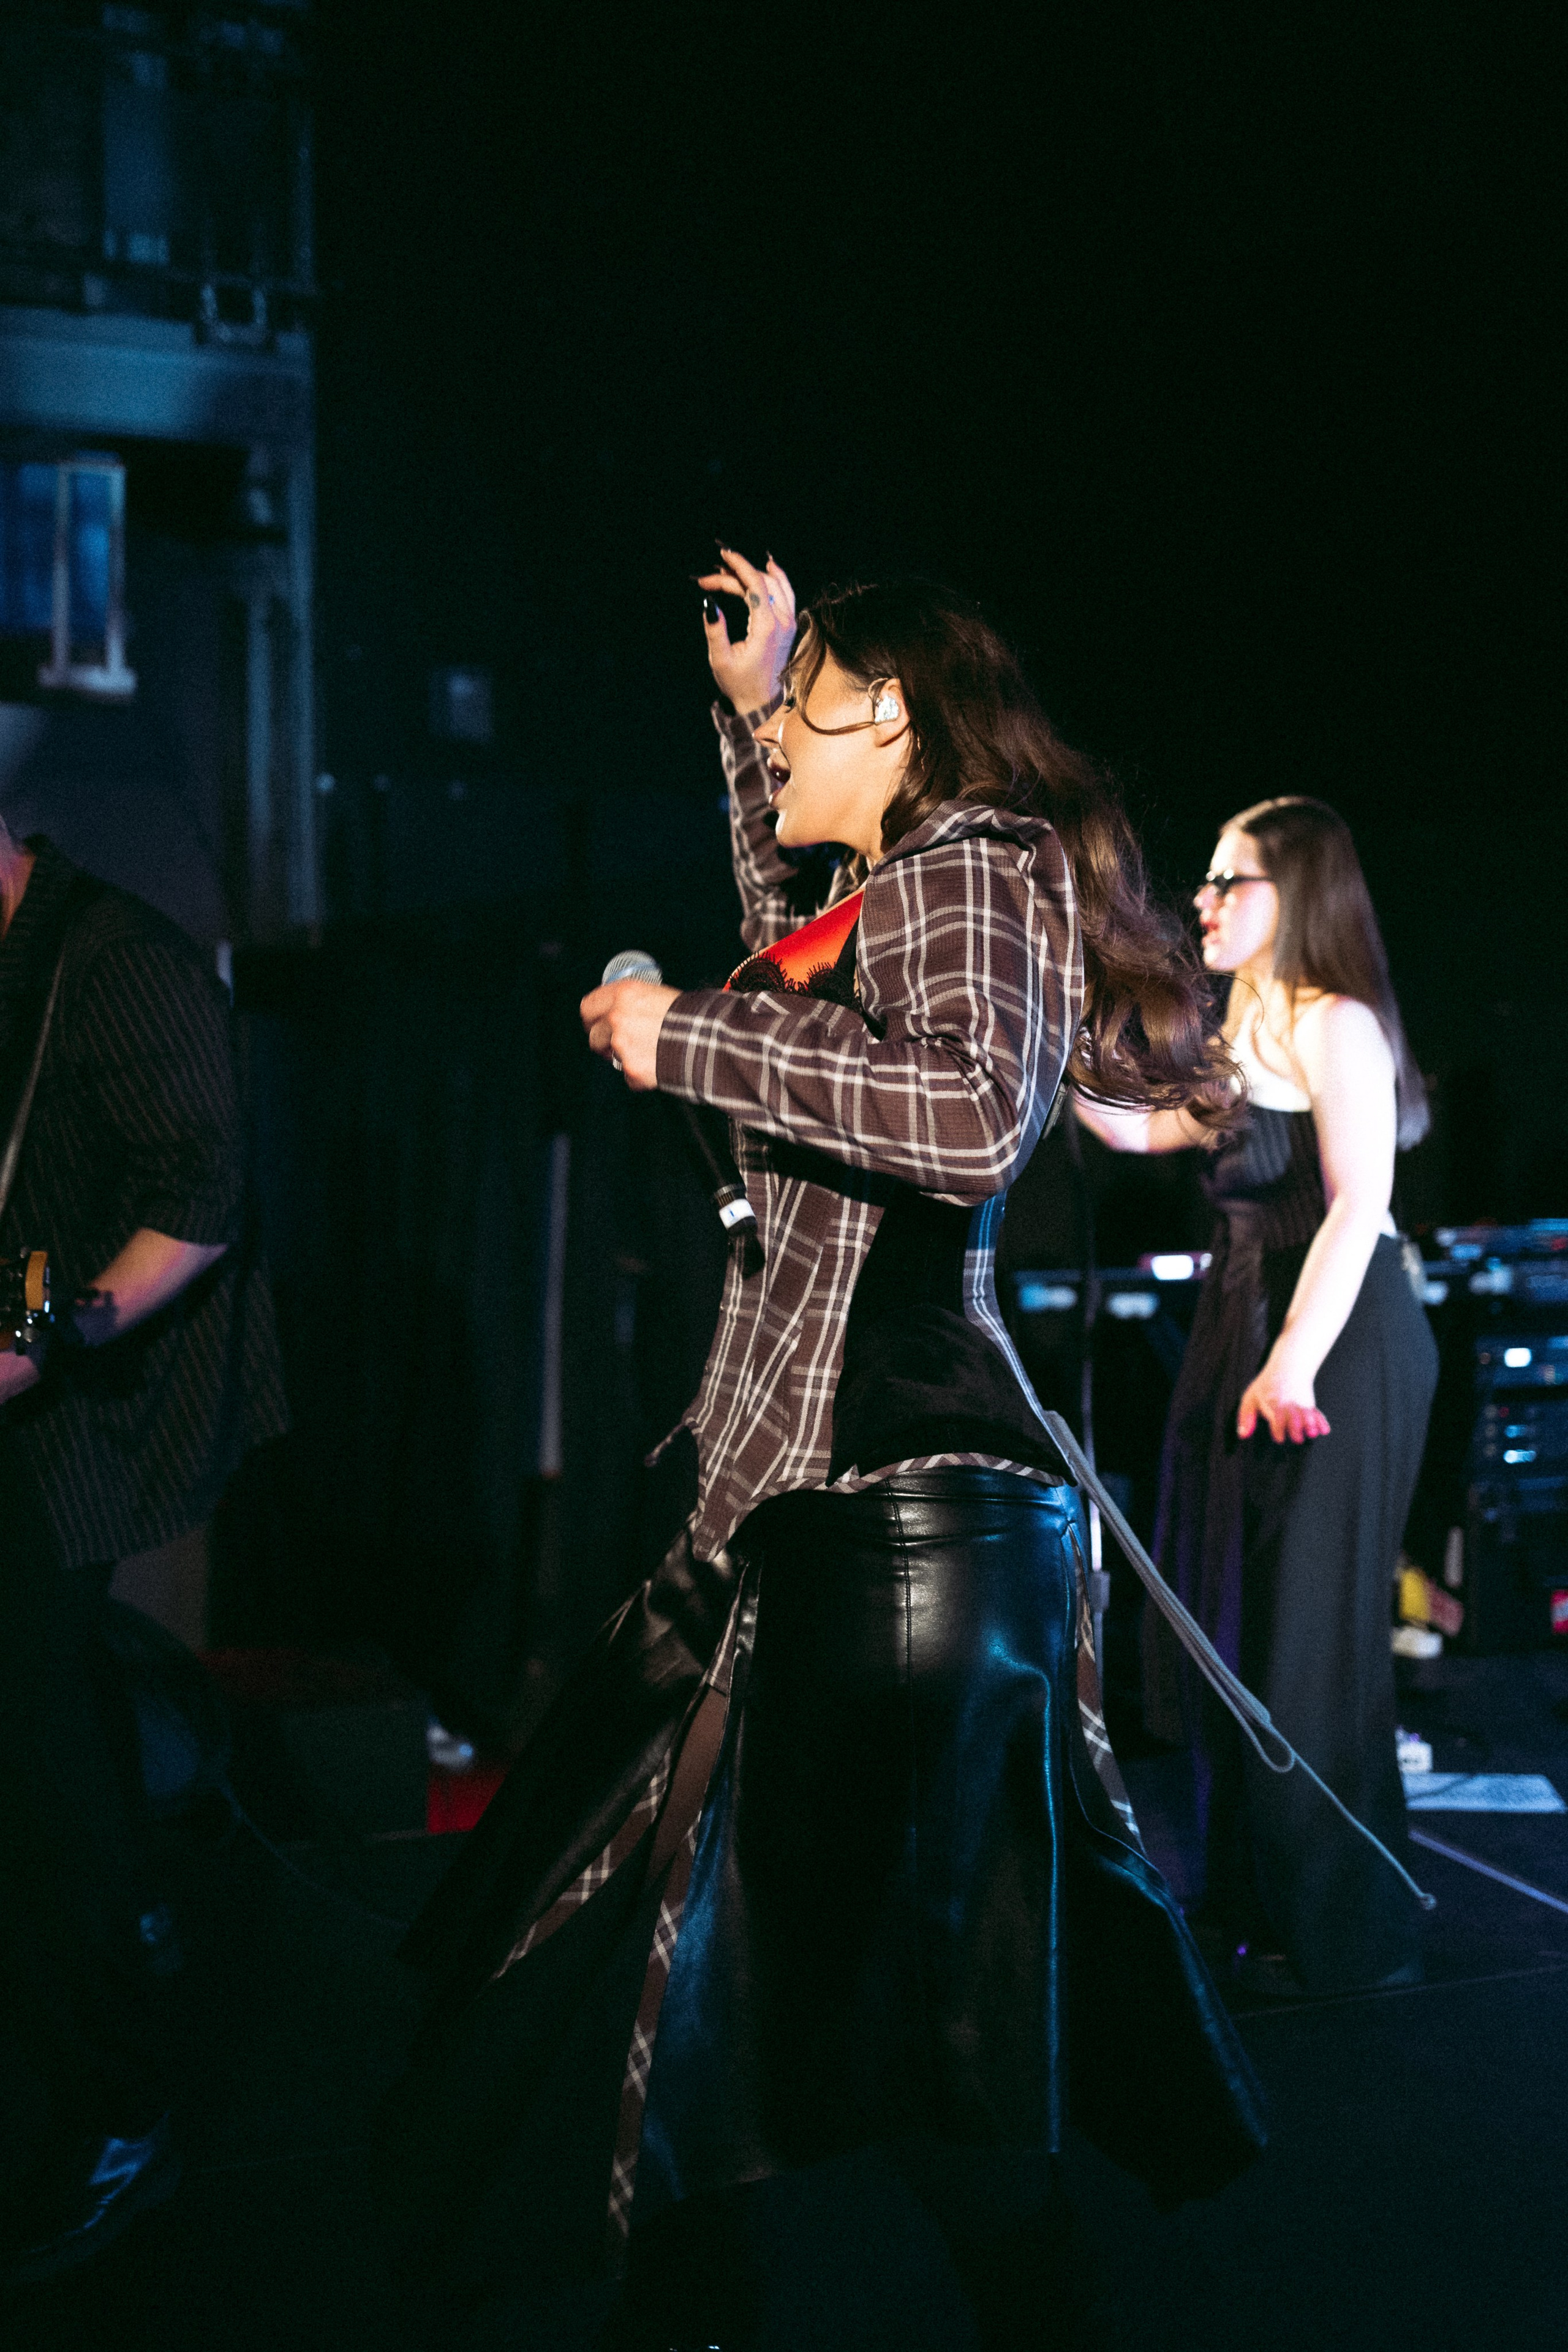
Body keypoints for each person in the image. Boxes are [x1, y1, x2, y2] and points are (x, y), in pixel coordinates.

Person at [378, 555, 1266, 2351]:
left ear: (906, 721)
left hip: (912, 1511)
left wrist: (682, 1033)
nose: (778, 736)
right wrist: (753, 699)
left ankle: (1007, 2304)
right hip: (834, 1502)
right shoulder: (892, 885)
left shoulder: (975, 865)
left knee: (883, 2000)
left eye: (807, 706)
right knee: (702, 1960)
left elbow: (963, 1116)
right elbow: (791, 935)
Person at [1076, 797, 1438, 2000]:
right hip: (1244, 1330)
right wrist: (1020, 1046)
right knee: (1229, 1627)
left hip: (1334, 1336)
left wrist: (1290, 1361)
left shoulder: (1337, 1026)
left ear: (1300, 899)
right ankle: (1258, 1908)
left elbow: (1355, 1205)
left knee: (1306, 1641)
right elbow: (1138, 1133)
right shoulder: (1243, 1027)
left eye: (1234, 881)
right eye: (1209, 877)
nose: (1203, 898)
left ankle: (1347, 1930)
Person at [0, 816, 288, 2282]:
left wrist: (37, 1345)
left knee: (41, 1775)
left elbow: (201, 1199)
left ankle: (124, 2103)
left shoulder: (111, 959)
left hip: (66, 1430)